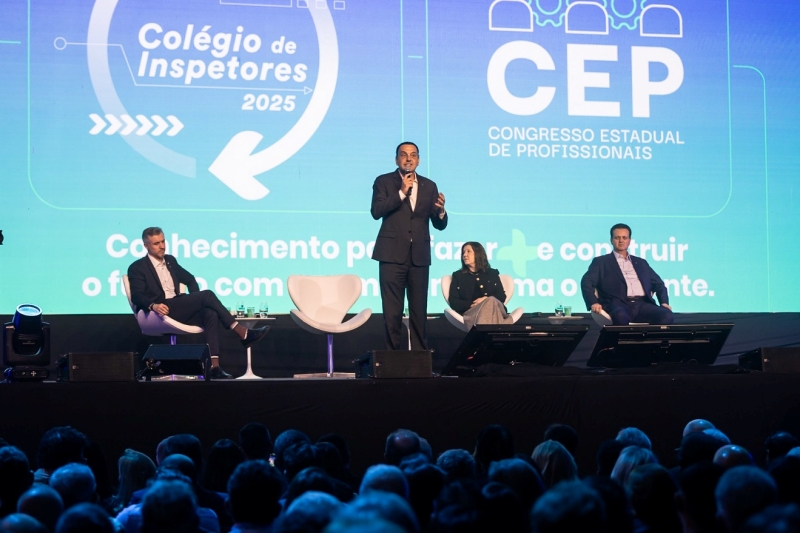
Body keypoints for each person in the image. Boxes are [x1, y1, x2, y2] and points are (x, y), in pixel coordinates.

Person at [127, 227, 269, 379]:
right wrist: (153, 305)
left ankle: (214, 367)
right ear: (146, 246)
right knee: (207, 295)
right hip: (160, 310)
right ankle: (242, 332)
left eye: (163, 241)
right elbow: (137, 296)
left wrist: (193, 303)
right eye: (156, 243)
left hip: (176, 306)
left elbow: (190, 279)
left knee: (210, 313)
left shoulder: (170, 261)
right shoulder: (137, 267)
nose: (162, 246)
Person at [371, 142, 447, 350]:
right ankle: (393, 359)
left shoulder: (429, 186)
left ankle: (420, 359)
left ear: (419, 160)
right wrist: (401, 192)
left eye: (413, 155)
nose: (408, 159)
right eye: (404, 155)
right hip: (391, 256)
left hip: (419, 257)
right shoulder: (384, 181)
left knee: (419, 312)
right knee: (392, 313)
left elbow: (439, 224)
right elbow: (376, 211)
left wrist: (441, 212)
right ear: (396, 159)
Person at [581, 223, 673, 325]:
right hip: (617, 303)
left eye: (624, 238)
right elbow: (586, 282)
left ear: (629, 241)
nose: (621, 241)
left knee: (666, 315)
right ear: (611, 240)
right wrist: (593, 302)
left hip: (642, 304)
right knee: (620, 316)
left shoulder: (641, 262)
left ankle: (651, 336)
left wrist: (664, 302)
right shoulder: (601, 262)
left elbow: (659, 284)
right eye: (617, 238)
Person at [448, 242, 513, 330]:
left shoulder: (492, 273)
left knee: (491, 301)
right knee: (489, 304)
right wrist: (474, 304)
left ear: (478, 254)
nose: (464, 255)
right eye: (463, 252)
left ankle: (481, 335)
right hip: (472, 313)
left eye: (468, 251)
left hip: (496, 308)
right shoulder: (458, 276)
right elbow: (454, 302)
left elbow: (501, 296)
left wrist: (486, 300)